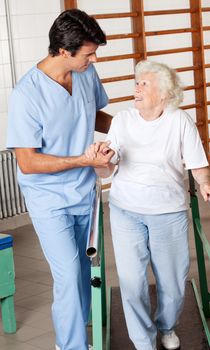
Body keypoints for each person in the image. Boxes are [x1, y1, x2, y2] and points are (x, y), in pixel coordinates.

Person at [85, 60, 210, 350]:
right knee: (132, 282)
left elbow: (199, 165)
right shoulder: (122, 121)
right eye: (137, 82)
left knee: (172, 284)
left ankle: (167, 326)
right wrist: (100, 160)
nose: (136, 87)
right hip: (125, 211)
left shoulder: (179, 121)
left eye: (144, 83)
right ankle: (143, 341)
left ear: (164, 92)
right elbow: (106, 170)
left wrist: (205, 183)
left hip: (168, 213)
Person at [7, 9, 114, 350]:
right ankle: (71, 346)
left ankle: (80, 325)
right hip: (49, 200)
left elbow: (93, 112)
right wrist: (82, 159)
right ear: (64, 51)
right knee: (68, 276)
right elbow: (28, 161)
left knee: (84, 272)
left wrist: (140, 129)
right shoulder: (27, 94)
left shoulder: (85, 72)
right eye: (88, 53)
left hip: (85, 192)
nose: (94, 59)